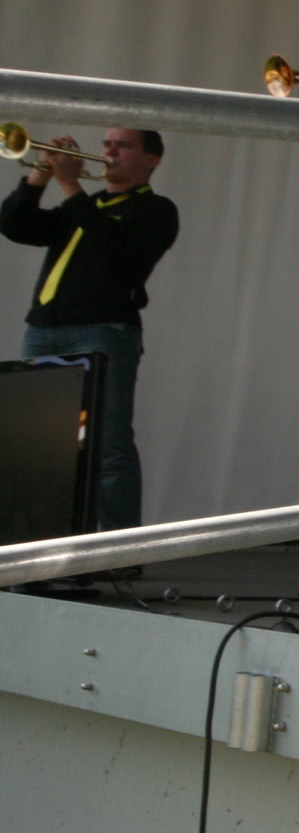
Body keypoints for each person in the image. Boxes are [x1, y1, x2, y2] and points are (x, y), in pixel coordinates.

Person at [1, 129, 178, 532]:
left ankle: (118, 551)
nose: (110, 151)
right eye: (106, 144)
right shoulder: (83, 205)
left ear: (151, 160)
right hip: (43, 329)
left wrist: (69, 183)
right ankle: (46, 545)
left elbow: (116, 250)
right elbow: (14, 225)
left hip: (103, 330)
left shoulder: (156, 209)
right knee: (38, 445)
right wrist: (40, 175)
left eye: (123, 145)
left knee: (108, 446)